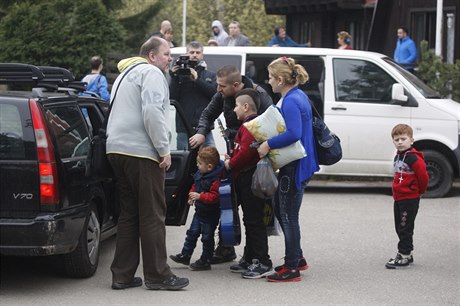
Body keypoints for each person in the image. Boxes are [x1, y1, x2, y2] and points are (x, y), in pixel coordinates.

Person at [106, 36, 189, 291]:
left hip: (116, 149)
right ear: (152, 55)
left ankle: (122, 275)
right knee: (153, 214)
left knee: (129, 214)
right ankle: (158, 276)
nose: (170, 59)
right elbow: (152, 112)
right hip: (141, 152)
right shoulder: (151, 74)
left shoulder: (123, 76)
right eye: (166, 54)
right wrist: (164, 149)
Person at [189, 65, 273, 264]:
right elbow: (208, 113)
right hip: (236, 155)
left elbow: (268, 130)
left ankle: (256, 257)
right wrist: (202, 131)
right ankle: (227, 248)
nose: (218, 90)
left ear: (236, 85)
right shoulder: (222, 95)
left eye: (221, 86)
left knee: (252, 215)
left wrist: (234, 161)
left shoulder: (258, 97)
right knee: (227, 203)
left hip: (250, 161)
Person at [257, 56, 319, 282]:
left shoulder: (291, 100)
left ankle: (292, 267)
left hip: (293, 167)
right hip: (301, 164)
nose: (269, 81)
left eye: (271, 77)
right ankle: (297, 258)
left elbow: (293, 133)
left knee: (288, 216)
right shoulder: (298, 95)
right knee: (288, 214)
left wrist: (267, 144)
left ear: (281, 79)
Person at [224, 88, 273, 279]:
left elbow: (246, 154)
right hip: (247, 176)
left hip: (250, 177)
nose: (234, 110)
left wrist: (230, 163)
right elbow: (243, 149)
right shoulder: (248, 125)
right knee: (249, 219)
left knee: (254, 221)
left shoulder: (250, 126)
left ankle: (263, 261)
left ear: (245, 107)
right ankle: (250, 257)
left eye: (236, 106)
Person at [170, 146, 224, 271]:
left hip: (210, 214)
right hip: (199, 212)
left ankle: (206, 259)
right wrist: (191, 195)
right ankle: (185, 255)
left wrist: (200, 196)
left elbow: (215, 197)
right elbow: (195, 185)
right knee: (192, 233)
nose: (198, 166)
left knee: (207, 237)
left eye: (200, 164)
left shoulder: (215, 180)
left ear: (209, 166)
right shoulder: (200, 174)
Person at [385, 124, 428, 269]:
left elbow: (423, 177)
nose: (400, 142)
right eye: (396, 139)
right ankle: (407, 253)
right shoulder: (398, 156)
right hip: (399, 198)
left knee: (405, 227)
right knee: (399, 226)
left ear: (411, 140)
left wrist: (419, 192)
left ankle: (403, 254)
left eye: (403, 139)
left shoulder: (414, 159)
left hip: (410, 199)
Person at [169, 41, 217, 150]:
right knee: (184, 163)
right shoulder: (180, 76)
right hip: (184, 128)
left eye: (198, 52)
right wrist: (174, 77)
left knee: (210, 161)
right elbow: (172, 98)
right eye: (192, 52)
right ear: (186, 54)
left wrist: (197, 80)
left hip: (204, 129)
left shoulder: (209, 75)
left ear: (202, 55)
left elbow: (214, 94)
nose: (195, 55)